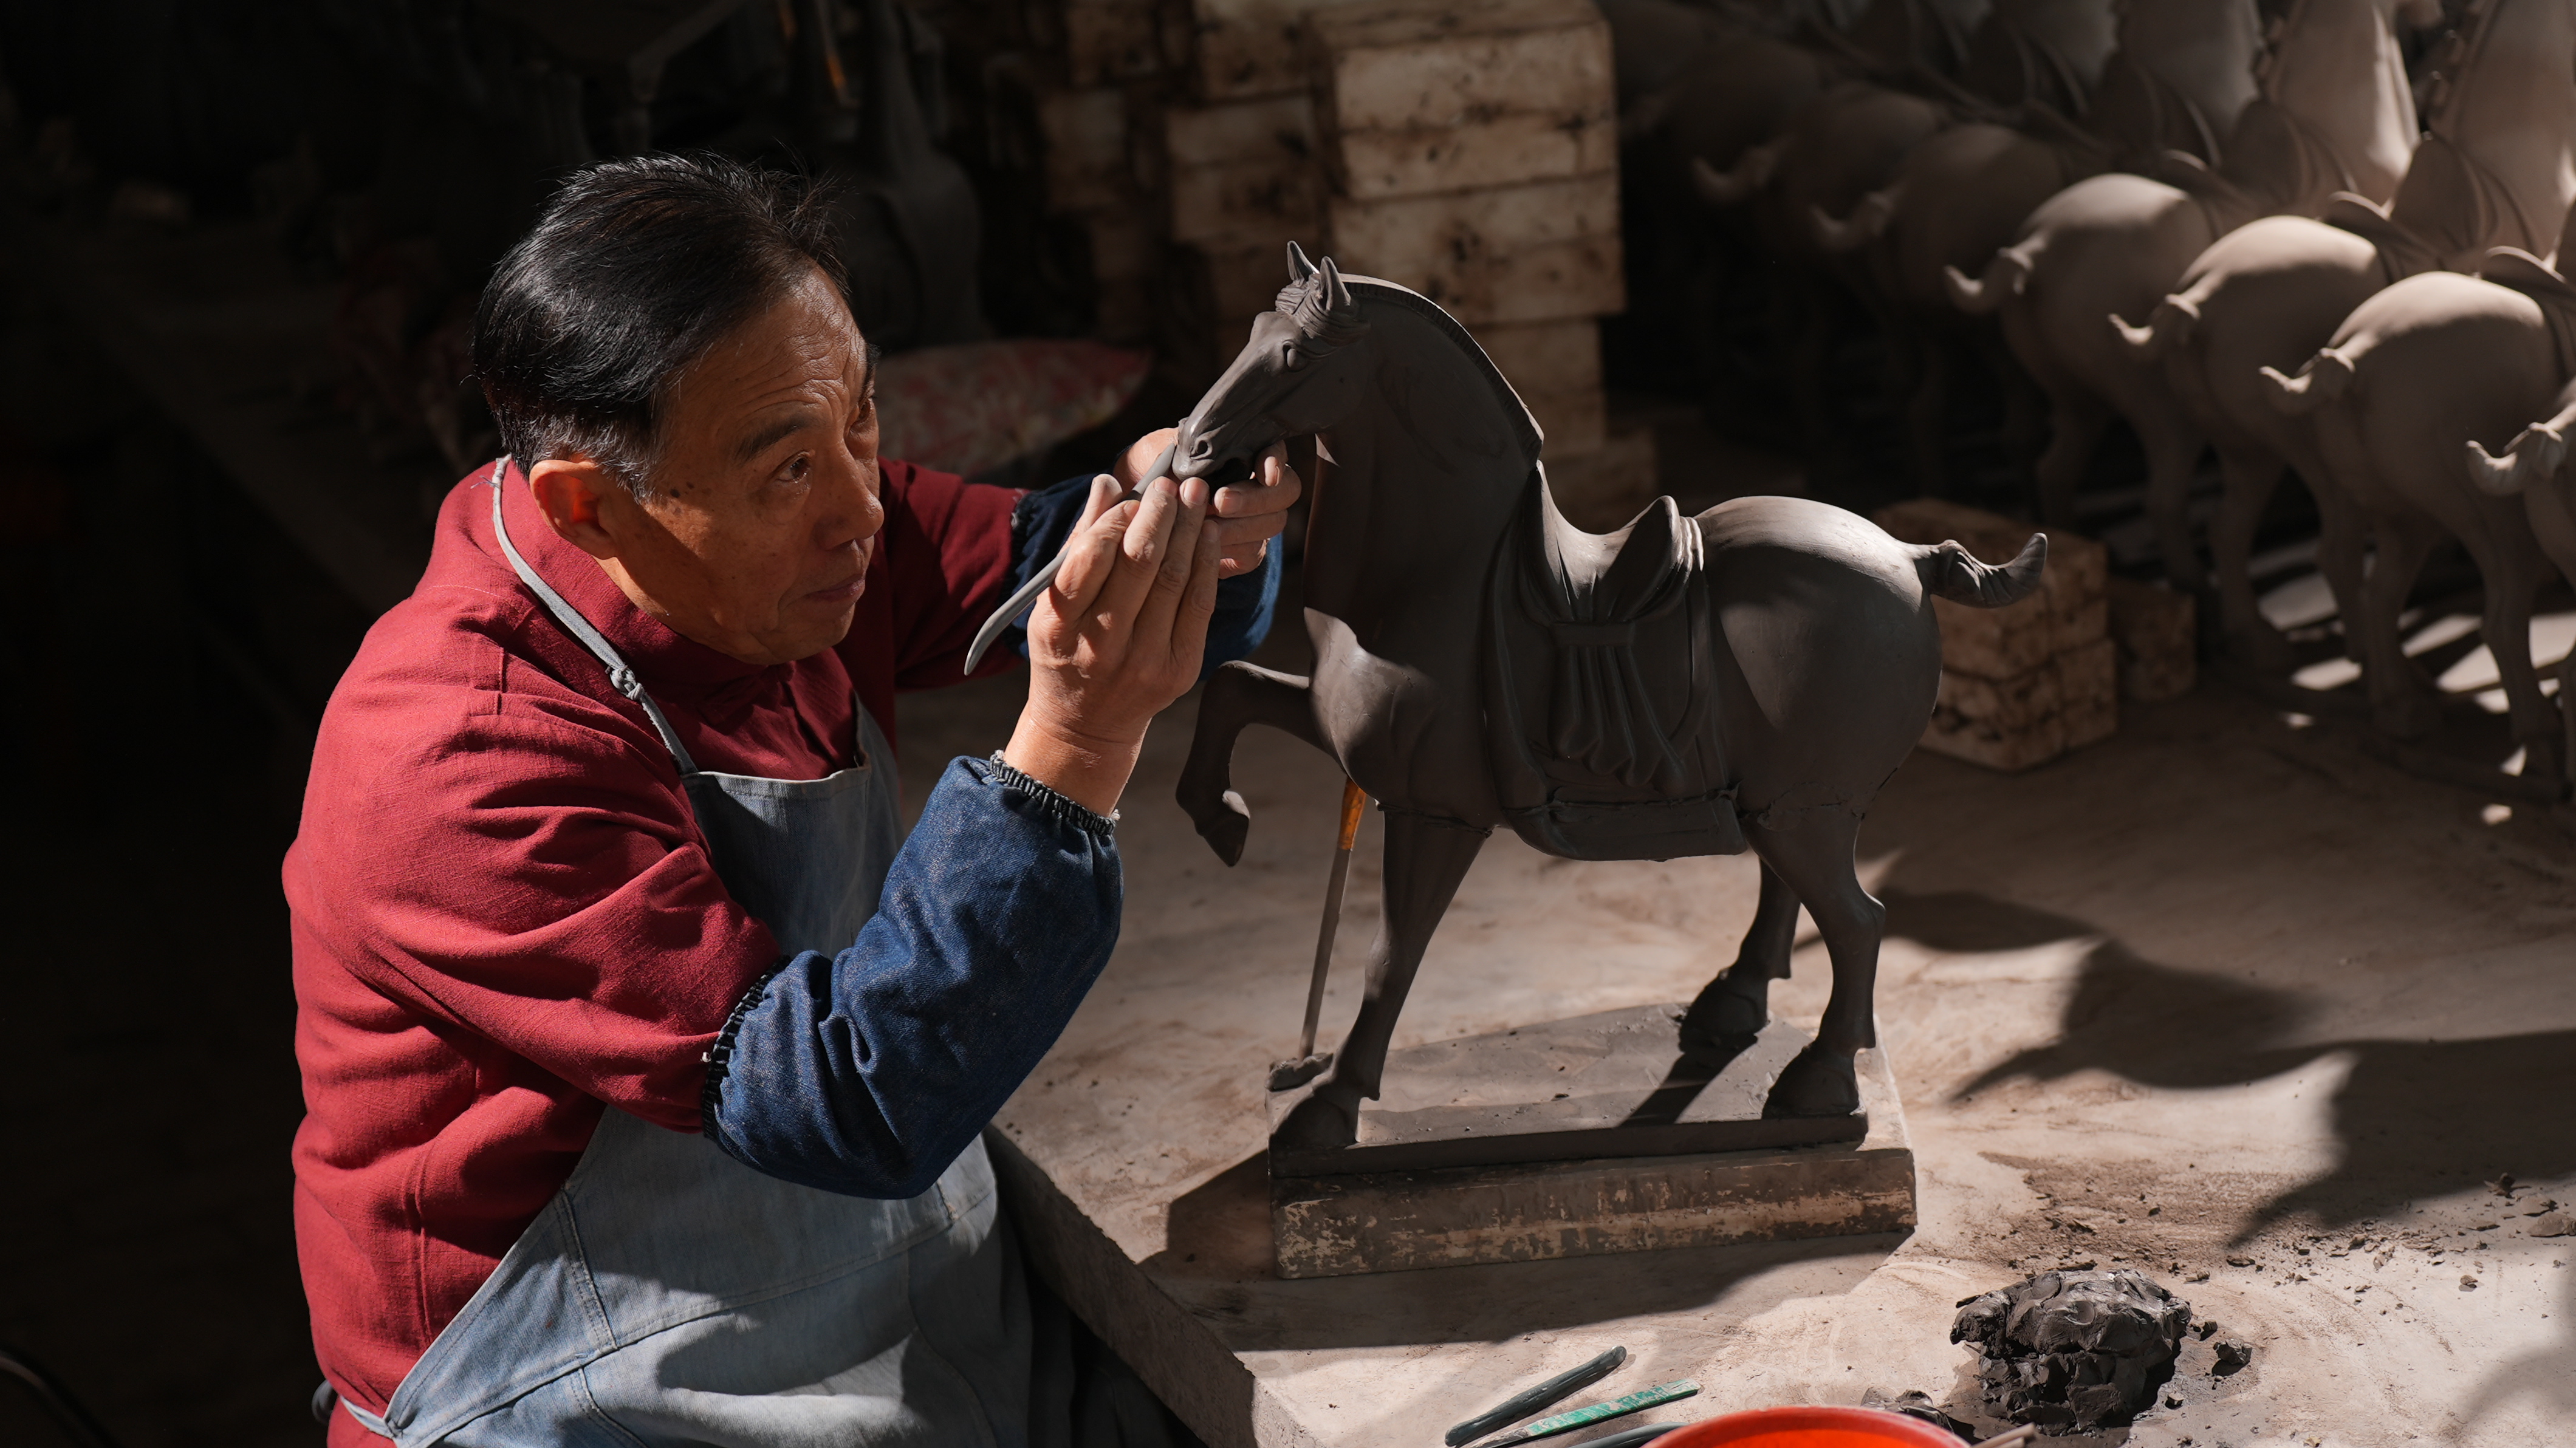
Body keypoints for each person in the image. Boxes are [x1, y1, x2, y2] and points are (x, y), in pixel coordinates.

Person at [285, 153, 1297, 1445]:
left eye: (863, 421)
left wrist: (1194, 515)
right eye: (787, 469)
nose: (863, 505)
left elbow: (1051, 556)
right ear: (590, 505)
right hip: (586, 1402)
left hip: (876, 1317)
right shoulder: (453, 754)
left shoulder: (799, 549)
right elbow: (848, 1097)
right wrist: (1079, 738)